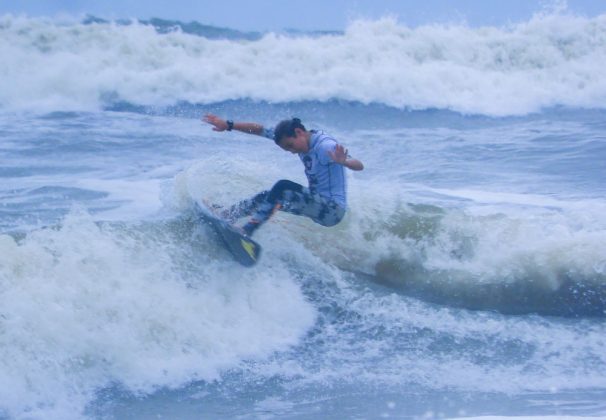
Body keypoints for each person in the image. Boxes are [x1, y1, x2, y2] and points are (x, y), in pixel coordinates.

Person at [202, 114, 364, 237]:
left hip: (331, 210)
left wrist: (345, 162)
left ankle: (247, 230)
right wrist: (229, 125)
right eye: (287, 149)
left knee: (282, 187)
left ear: (299, 132)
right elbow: (259, 129)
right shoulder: (291, 137)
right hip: (316, 204)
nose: (292, 151)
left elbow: (359, 165)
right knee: (268, 197)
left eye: (291, 146)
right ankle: (227, 215)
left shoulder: (325, 146)